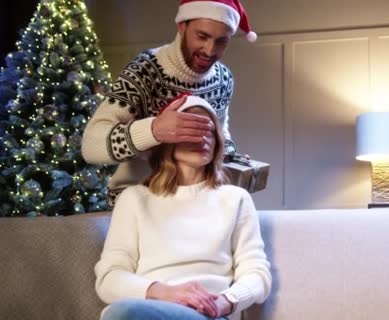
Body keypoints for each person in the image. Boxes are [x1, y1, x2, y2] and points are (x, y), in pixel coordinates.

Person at [94, 95, 271, 320]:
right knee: (121, 313)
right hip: (150, 312)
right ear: (167, 140)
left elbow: (257, 274)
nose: (202, 138)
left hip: (211, 315)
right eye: (191, 129)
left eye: (208, 131)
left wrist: (224, 302)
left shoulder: (235, 199)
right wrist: (166, 292)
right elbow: (109, 278)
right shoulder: (134, 199)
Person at [82, 0, 258, 206]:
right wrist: (155, 130)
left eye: (221, 41)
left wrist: (229, 153)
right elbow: (91, 146)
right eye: (202, 36)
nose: (210, 51)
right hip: (138, 198)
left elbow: (220, 129)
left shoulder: (223, 78)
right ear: (182, 26)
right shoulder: (144, 71)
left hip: (193, 197)